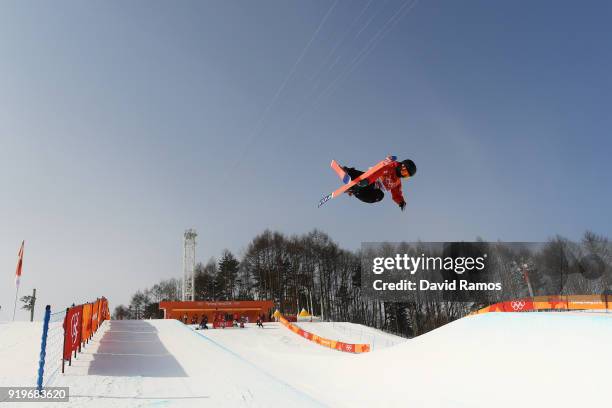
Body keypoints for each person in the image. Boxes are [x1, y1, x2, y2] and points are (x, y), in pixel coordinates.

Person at [342, 158, 416, 211]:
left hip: (374, 189)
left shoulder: (397, 182)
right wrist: (368, 181)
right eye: (404, 171)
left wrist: (401, 201)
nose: (403, 175)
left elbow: (397, 194)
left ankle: (355, 191)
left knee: (380, 196)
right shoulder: (391, 167)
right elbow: (379, 172)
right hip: (371, 178)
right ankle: (349, 171)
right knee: (365, 178)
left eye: (406, 175)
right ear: (401, 165)